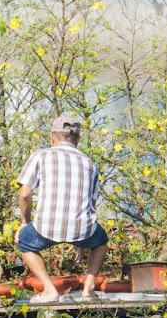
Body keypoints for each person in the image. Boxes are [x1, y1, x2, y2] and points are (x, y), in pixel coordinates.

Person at [16, 116, 109, 302]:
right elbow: (91, 204)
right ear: (78, 140)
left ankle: (50, 290)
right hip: (83, 228)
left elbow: (25, 194)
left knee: (25, 242)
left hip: (45, 229)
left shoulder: (41, 156)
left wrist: (24, 222)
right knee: (101, 242)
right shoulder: (90, 163)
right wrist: (80, 238)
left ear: (52, 138)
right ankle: (88, 290)